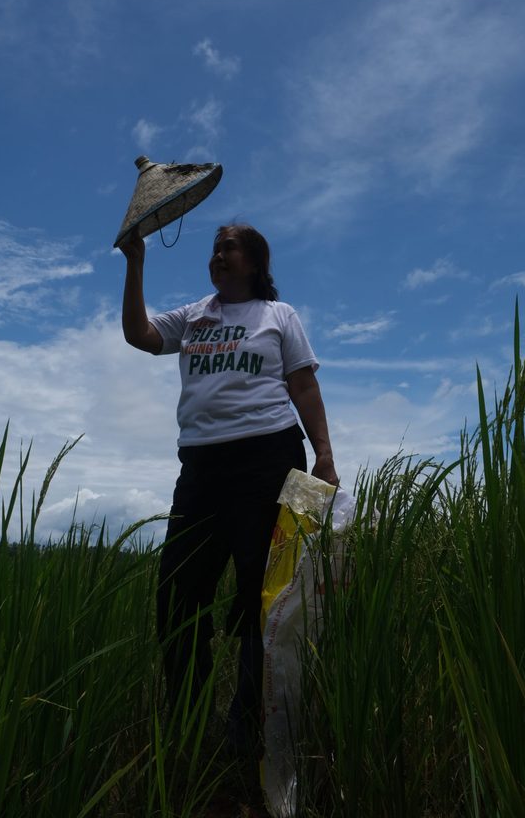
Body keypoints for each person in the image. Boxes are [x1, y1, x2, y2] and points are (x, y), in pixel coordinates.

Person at [120, 223, 338, 754]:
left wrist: (325, 455)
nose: (218, 256)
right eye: (215, 249)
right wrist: (136, 262)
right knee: (177, 594)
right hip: (201, 469)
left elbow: (303, 385)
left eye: (229, 248)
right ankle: (189, 728)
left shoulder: (278, 316)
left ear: (257, 264)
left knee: (260, 598)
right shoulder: (195, 316)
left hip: (268, 460)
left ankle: (251, 730)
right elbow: (141, 336)